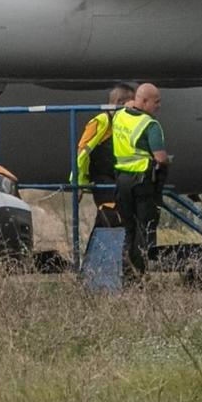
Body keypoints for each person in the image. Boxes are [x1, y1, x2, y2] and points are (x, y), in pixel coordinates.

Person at [109, 83, 170, 279]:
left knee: (128, 230)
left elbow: (128, 106)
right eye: (156, 102)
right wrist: (166, 161)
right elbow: (160, 158)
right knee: (144, 231)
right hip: (142, 183)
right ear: (144, 101)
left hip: (122, 181)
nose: (159, 106)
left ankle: (126, 275)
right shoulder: (150, 125)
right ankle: (139, 276)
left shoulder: (119, 116)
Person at [74, 84, 134, 228]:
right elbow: (82, 150)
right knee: (110, 210)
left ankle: (97, 247)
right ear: (121, 102)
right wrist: (79, 183)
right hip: (101, 175)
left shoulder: (122, 123)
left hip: (116, 174)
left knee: (117, 211)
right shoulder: (101, 121)